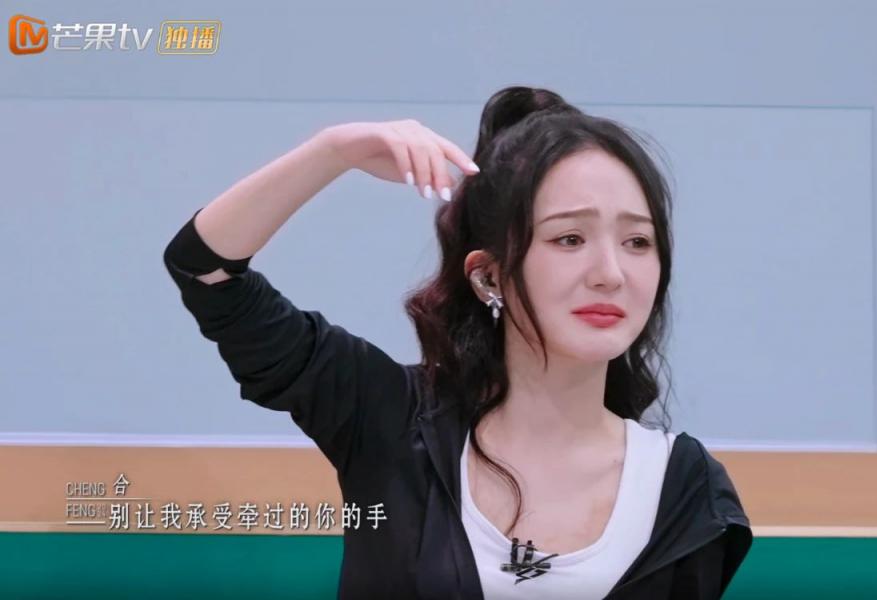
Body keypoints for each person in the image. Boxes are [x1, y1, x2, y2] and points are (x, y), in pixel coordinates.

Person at [163, 85, 752, 599]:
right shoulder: (390, 420)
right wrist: (334, 150)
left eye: (638, 242)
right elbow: (203, 267)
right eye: (569, 238)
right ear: (488, 275)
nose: (611, 273)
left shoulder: (685, 485)